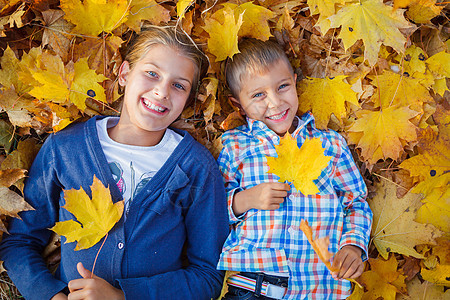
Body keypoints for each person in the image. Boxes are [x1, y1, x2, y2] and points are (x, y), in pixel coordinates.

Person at [0, 26, 229, 300]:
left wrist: (123, 297)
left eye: (178, 85)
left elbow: (208, 275)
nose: (161, 91)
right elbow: (19, 240)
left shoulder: (196, 167)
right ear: (124, 74)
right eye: (152, 73)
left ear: (188, 99)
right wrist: (50, 295)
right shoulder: (66, 148)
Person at [217, 38, 372, 299]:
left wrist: (353, 246)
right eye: (258, 95)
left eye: (283, 87)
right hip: (253, 283)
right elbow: (210, 212)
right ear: (237, 105)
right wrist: (246, 199)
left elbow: (355, 201)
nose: (276, 103)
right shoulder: (235, 146)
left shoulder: (329, 144)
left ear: (295, 82)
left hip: (319, 285)